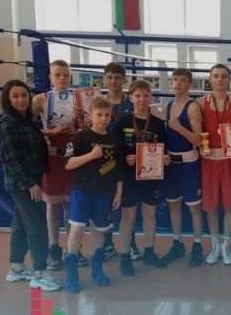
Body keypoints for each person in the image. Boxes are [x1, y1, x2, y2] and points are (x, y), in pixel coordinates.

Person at [0, 79, 62, 291]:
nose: (21, 100)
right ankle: (39, 273)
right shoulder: (7, 122)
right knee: (37, 225)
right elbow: (11, 158)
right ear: (7, 99)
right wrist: (30, 184)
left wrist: (49, 133)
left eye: (24, 95)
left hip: (31, 179)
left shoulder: (24, 120)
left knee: (20, 223)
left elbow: (30, 139)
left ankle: (16, 267)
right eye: (15, 96)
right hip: (24, 183)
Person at [63, 97, 124, 292]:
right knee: (77, 230)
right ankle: (72, 274)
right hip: (82, 191)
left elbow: (119, 169)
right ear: (90, 115)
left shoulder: (114, 140)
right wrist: (90, 156)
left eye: (107, 115)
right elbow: (68, 163)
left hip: (104, 193)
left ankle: (97, 270)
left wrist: (118, 193)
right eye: (99, 115)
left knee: (99, 231)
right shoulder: (80, 136)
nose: (103, 119)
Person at [32, 60, 86, 270]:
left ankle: (73, 248)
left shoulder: (79, 99)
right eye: (58, 74)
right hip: (52, 158)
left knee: (71, 205)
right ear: (50, 77)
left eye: (66, 74)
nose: (62, 78)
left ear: (70, 76)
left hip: (73, 159)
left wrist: (79, 129)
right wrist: (49, 132)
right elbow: (27, 127)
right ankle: (53, 248)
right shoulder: (41, 99)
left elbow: (90, 128)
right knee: (52, 205)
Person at [115, 80, 171, 276]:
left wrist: (165, 158)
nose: (142, 100)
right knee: (128, 216)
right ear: (131, 98)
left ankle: (149, 252)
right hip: (129, 177)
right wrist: (125, 157)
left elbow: (163, 148)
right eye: (137, 96)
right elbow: (114, 150)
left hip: (151, 176)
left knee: (149, 214)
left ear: (151, 98)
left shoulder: (158, 124)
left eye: (146, 96)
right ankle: (124, 256)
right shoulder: (122, 122)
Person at [196, 64, 231, 265]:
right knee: (211, 206)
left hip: (230, 161)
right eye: (215, 76)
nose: (219, 79)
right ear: (210, 78)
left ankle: (226, 244)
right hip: (208, 161)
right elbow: (196, 133)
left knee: (230, 206)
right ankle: (215, 244)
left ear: (229, 79)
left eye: (223, 76)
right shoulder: (200, 103)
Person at [162, 68, 204, 268]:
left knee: (194, 207)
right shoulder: (168, 106)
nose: (177, 83)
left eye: (182, 80)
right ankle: (177, 243)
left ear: (189, 84)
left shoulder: (192, 107)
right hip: (171, 164)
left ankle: (197, 246)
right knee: (173, 205)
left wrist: (179, 128)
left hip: (189, 164)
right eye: (175, 79)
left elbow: (199, 140)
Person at [101, 62, 142, 262]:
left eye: (117, 77)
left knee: (128, 205)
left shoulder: (131, 103)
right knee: (105, 203)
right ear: (104, 79)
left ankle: (130, 243)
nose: (113, 81)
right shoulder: (98, 102)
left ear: (124, 80)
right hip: (103, 158)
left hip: (127, 160)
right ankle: (107, 244)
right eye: (109, 77)